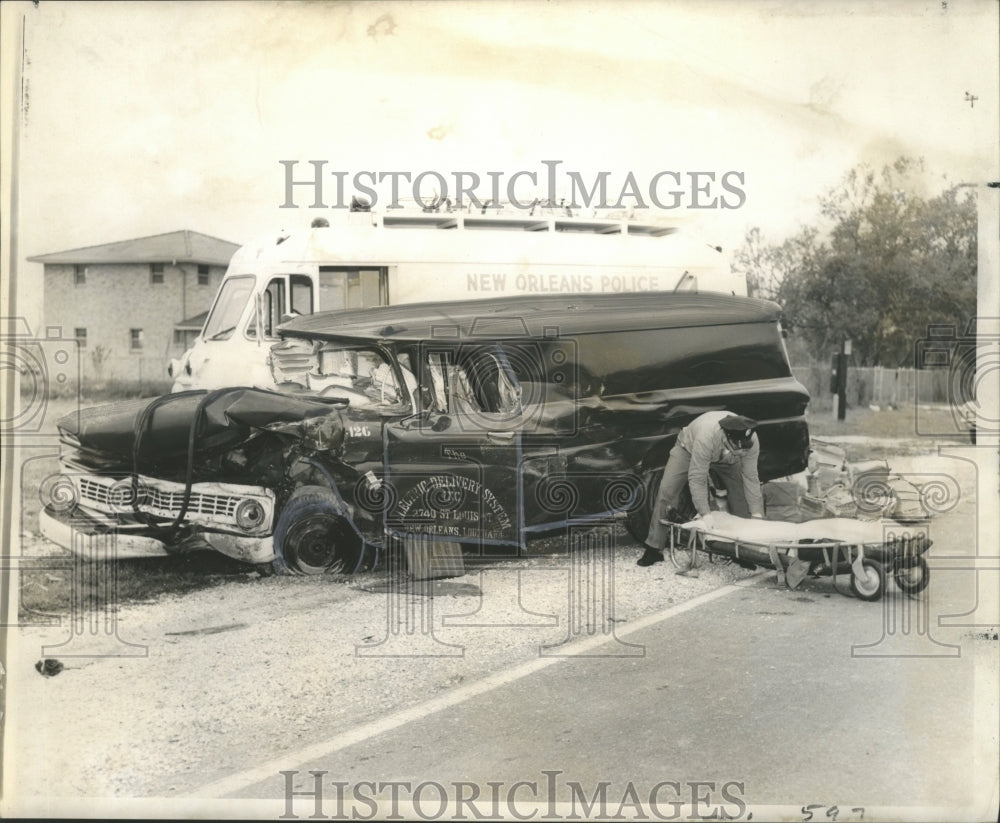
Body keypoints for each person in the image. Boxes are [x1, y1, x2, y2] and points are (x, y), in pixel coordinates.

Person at [638, 411, 765, 566]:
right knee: (667, 491)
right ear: (726, 437)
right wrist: (706, 514)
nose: (742, 453)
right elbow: (697, 478)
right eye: (739, 449)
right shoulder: (706, 436)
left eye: (744, 450)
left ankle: (741, 550)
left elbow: (751, 477)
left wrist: (757, 513)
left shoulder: (750, 441)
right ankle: (653, 547)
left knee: (741, 494)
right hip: (689, 451)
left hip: (727, 457)